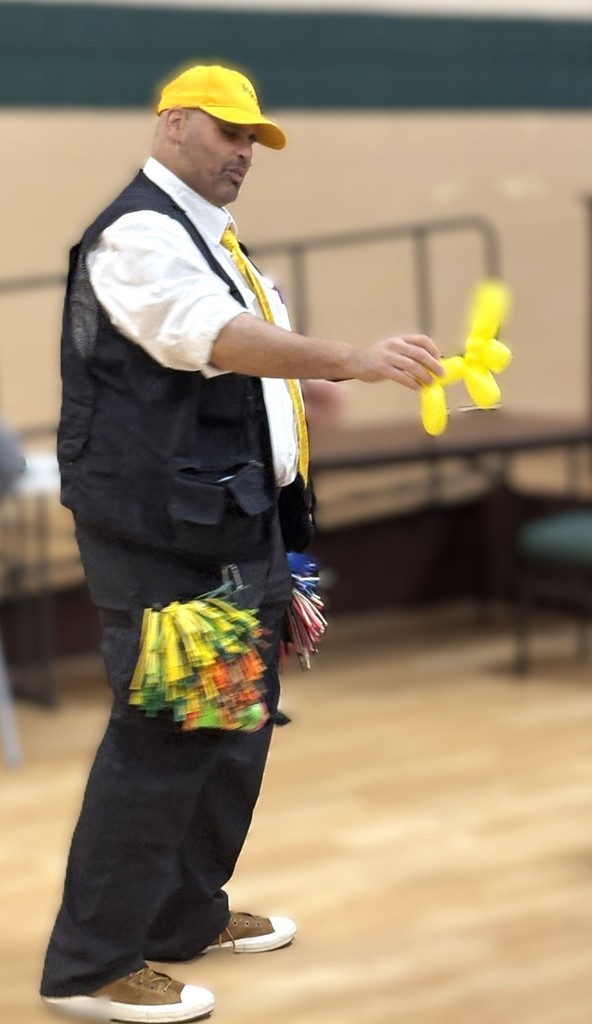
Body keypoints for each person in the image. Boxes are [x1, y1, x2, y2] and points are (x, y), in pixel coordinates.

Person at [40, 63, 444, 1023]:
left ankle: (184, 915)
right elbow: (210, 338)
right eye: (227, 134)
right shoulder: (140, 234)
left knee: (233, 730)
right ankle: (93, 964)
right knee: (169, 737)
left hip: (236, 525)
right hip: (165, 541)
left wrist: (307, 392)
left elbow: (240, 355)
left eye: (253, 140)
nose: (242, 155)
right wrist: (348, 356)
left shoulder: (218, 240)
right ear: (173, 124)